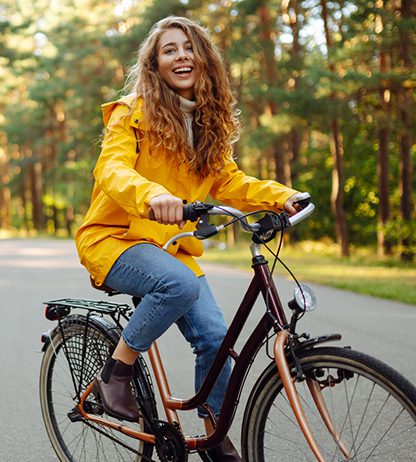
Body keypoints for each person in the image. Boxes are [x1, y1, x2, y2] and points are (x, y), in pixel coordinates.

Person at [75, 15, 303, 462]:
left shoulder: (206, 123)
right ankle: (115, 374)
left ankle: (214, 440)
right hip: (116, 239)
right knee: (177, 285)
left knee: (217, 340)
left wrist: (285, 196)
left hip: (172, 247)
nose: (181, 56)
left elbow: (230, 182)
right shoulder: (131, 114)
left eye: (188, 48)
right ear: (155, 65)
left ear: (203, 59)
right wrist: (153, 194)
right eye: (169, 50)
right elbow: (111, 170)